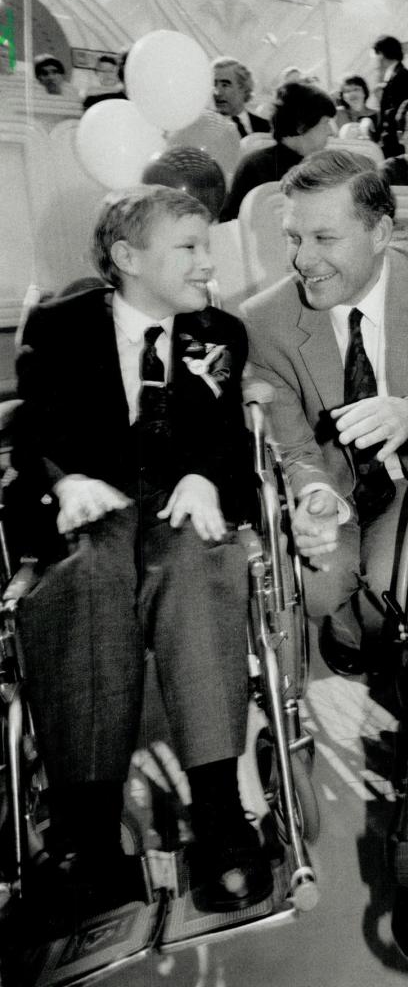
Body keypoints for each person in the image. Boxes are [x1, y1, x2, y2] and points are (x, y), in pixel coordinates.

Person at [13, 186, 272, 927]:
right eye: (187, 247)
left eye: (207, 245)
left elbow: (225, 435)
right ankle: (87, 838)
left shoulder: (217, 332)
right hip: (94, 510)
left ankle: (220, 816)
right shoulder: (62, 327)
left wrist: (205, 475)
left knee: (195, 561)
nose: (206, 261)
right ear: (127, 259)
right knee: (91, 571)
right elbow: (37, 431)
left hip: (176, 509)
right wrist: (67, 483)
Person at [241, 149, 408, 676]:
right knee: (316, 584)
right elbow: (292, 444)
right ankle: (346, 623)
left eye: (324, 239)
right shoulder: (264, 320)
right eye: (294, 237)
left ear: (380, 233)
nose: (301, 260)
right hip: (339, 486)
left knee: (394, 585)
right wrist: (313, 494)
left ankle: (381, 634)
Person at [220, 81, 335, 221]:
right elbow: (231, 225)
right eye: (325, 123)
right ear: (301, 125)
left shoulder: (326, 168)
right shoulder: (255, 167)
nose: (331, 132)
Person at [371, 34, 408, 158]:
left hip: (394, 145)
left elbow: (395, 113)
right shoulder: (399, 74)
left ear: (381, 54)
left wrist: (383, 139)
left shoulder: (400, 77)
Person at [212, 56, 270, 137]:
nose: (217, 92)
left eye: (225, 85)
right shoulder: (204, 128)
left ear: (244, 87)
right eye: (214, 85)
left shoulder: (268, 128)